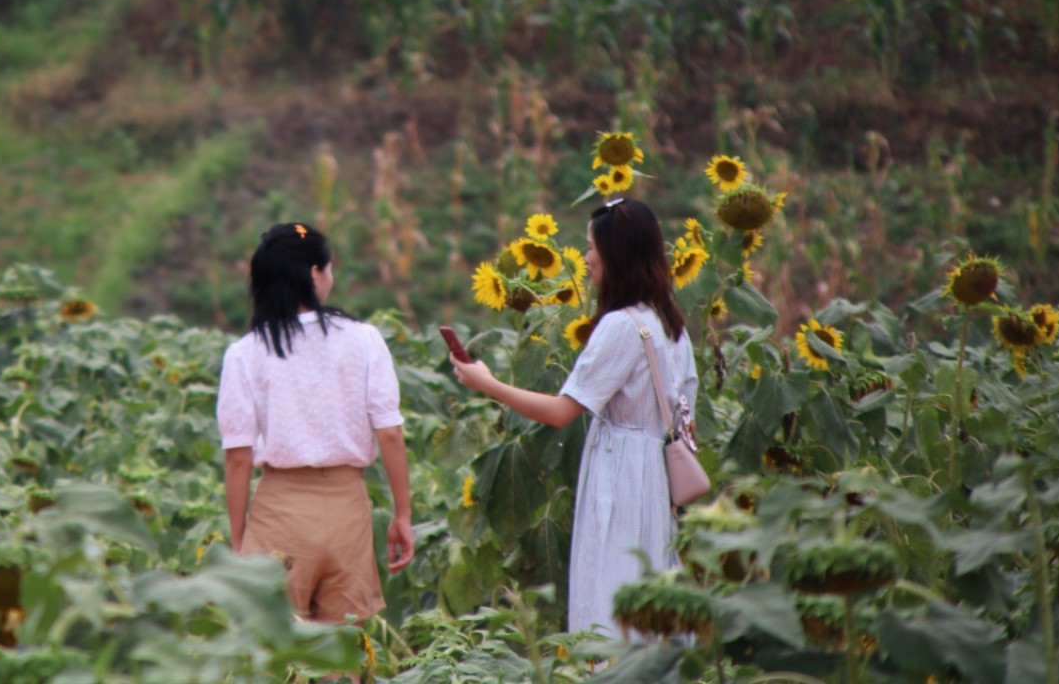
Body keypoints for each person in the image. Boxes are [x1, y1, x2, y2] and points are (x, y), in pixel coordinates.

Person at [450, 197, 698, 637]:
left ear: (615, 254)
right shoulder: (669, 324)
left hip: (620, 472)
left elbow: (563, 411)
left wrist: (487, 383)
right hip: (655, 477)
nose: (585, 260)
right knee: (649, 595)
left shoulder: (623, 326)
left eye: (590, 248)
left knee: (610, 591)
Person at [216, 221, 417, 624]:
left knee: (273, 655)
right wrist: (402, 515)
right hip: (348, 512)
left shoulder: (246, 353)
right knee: (341, 656)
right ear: (314, 272)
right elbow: (391, 434)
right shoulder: (364, 339)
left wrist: (240, 541)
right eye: (330, 267)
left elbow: (238, 458)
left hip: (279, 514)